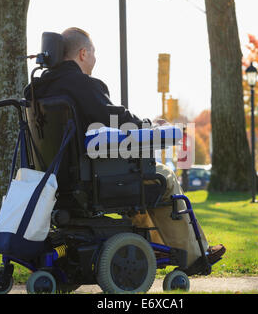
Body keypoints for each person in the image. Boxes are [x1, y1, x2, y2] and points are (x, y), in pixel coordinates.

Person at [24, 27, 225, 274]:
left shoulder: (37, 90)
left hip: (54, 179)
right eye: (94, 53)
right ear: (83, 53)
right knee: (163, 177)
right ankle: (195, 257)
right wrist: (149, 126)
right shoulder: (82, 85)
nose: (95, 59)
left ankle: (154, 248)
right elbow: (115, 118)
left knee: (138, 178)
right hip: (91, 179)